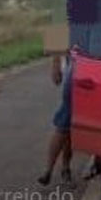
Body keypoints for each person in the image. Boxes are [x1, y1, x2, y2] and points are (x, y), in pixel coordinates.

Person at [38, 50, 74, 186]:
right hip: (76, 67)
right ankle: (54, 169)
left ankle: (59, 168)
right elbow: (57, 37)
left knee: (68, 127)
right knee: (65, 125)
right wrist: (56, 63)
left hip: (87, 64)